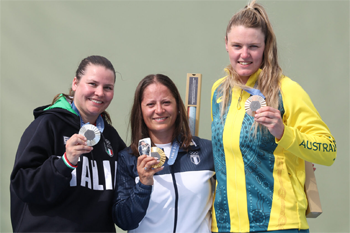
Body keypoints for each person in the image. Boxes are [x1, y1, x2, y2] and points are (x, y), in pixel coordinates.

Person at [210, 1, 337, 233]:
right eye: (237, 45)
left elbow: (328, 151)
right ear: (226, 44)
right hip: (225, 226)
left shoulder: (286, 90)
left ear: (266, 46)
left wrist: (283, 133)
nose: (244, 54)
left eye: (253, 46)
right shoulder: (219, 92)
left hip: (279, 225)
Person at [10, 55, 126, 233]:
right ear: (75, 83)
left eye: (107, 87)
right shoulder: (48, 125)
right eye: (92, 84)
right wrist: (65, 162)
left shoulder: (111, 137)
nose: (100, 93)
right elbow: (23, 186)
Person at [113, 74, 215, 233]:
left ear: (178, 107)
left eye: (166, 102)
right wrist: (143, 185)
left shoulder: (207, 150)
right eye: (150, 104)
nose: (159, 110)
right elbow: (124, 221)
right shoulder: (128, 158)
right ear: (140, 110)